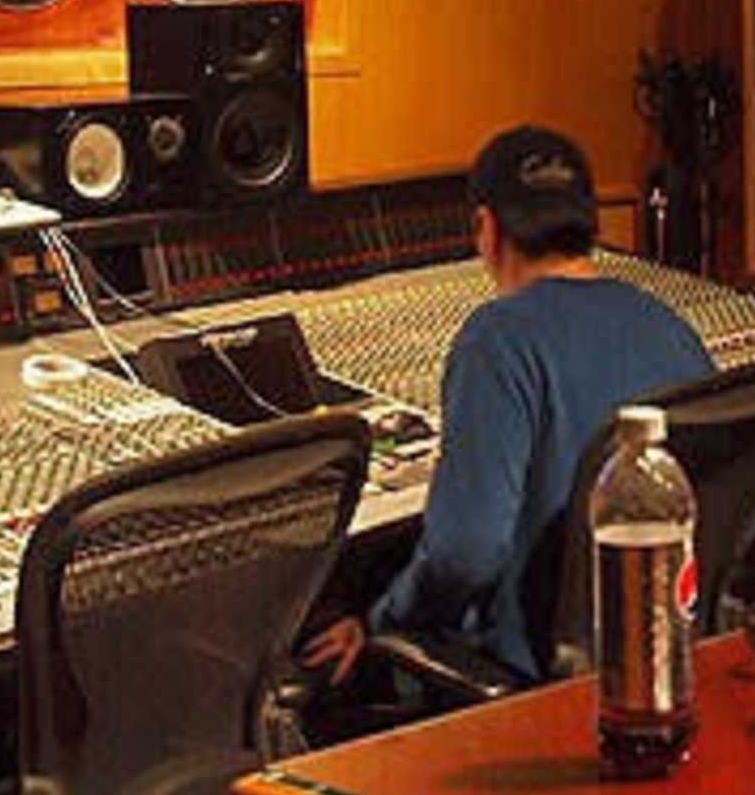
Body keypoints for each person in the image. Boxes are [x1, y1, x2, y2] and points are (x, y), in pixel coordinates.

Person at [300, 125, 712, 688]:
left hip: (533, 681)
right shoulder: (671, 328)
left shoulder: (497, 341)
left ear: (487, 230)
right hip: (659, 663)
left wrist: (376, 622)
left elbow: (465, 555)